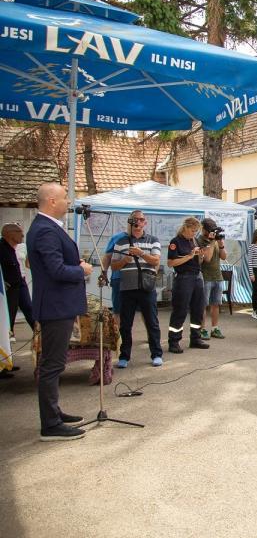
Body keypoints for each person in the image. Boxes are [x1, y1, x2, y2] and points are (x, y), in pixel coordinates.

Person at [27, 182, 92, 441]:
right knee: (51, 366)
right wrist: (82, 270)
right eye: (65, 197)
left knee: (54, 364)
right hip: (55, 306)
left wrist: (73, 264)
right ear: (51, 201)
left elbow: (52, 264)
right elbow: (55, 271)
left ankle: (54, 412)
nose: (69, 201)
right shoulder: (45, 230)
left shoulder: (47, 227)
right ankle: (50, 425)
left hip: (58, 304)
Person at [110, 210, 162, 368]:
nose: (138, 222)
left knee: (152, 322)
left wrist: (141, 254)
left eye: (142, 220)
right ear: (130, 222)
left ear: (145, 223)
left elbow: (155, 261)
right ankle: (124, 356)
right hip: (127, 288)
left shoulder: (153, 240)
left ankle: (157, 354)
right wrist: (125, 259)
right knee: (125, 324)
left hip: (146, 287)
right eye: (135, 220)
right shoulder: (121, 242)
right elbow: (114, 265)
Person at [167, 217, 209, 353]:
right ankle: (174, 340)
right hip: (183, 278)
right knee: (181, 309)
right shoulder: (176, 242)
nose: (194, 233)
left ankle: (195, 338)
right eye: (192, 230)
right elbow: (171, 263)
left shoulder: (194, 240)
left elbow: (198, 261)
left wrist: (200, 256)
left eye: (196, 231)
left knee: (198, 308)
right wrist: (189, 256)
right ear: (185, 228)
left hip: (197, 277)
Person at [197, 218, 227, 340]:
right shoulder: (199, 240)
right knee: (203, 305)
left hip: (217, 276)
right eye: (208, 229)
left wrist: (220, 244)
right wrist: (210, 242)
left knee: (216, 304)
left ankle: (215, 328)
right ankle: (202, 329)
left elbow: (224, 256)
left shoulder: (215, 240)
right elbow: (207, 259)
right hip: (205, 277)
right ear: (203, 229)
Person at [1, 223, 34, 333]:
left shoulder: (17, 248)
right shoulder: (1, 248)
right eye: (20, 233)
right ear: (10, 234)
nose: (23, 236)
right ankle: (7, 339)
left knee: (29, 308)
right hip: (8, 288)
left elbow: (27, 264)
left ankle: (39, 335)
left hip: (20, 282)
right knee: (9, 314)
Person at [102, 224, 128, 324]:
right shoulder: (117, 237)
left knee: (145, 310)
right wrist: (104, 273)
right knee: (117, 309)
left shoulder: (145, 239)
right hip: (119, 278)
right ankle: (118, 337)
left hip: (139, 280)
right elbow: (108, 256)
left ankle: (151, 337)